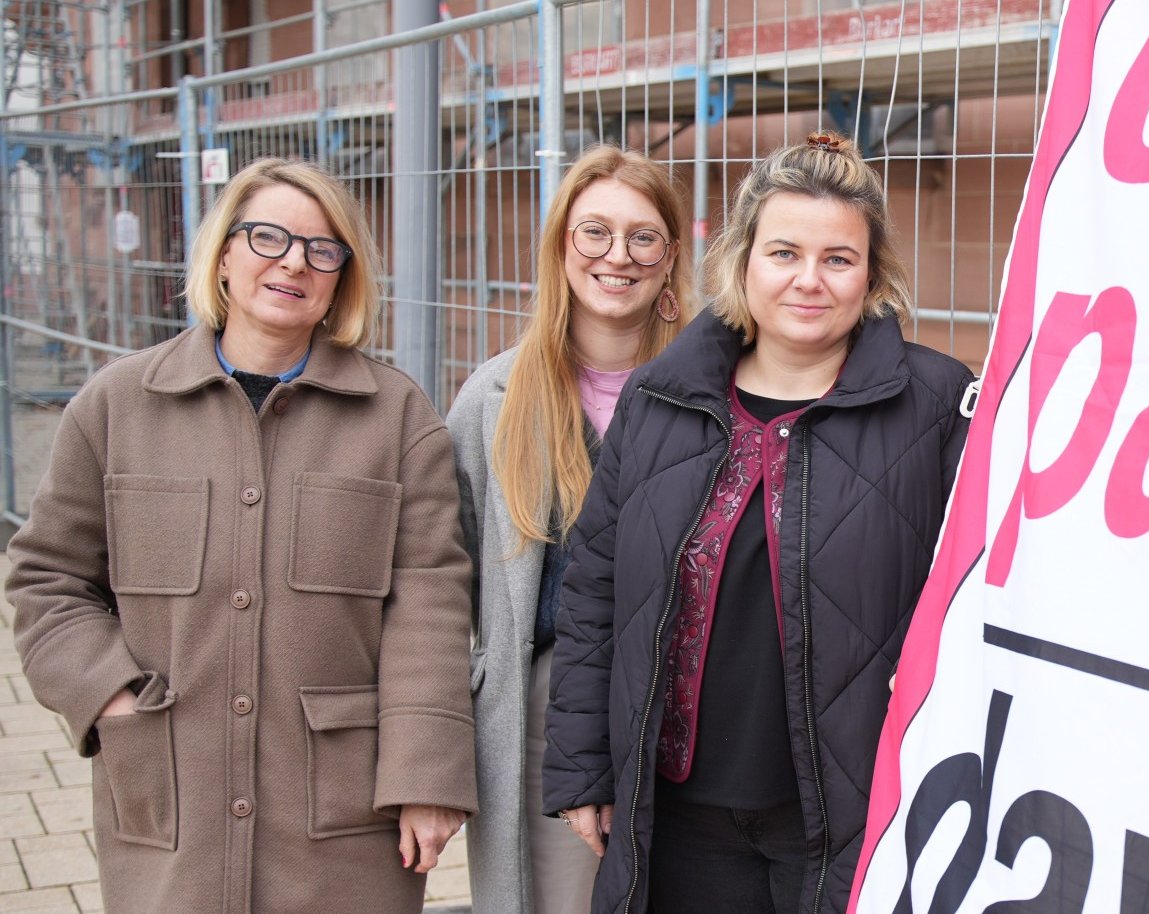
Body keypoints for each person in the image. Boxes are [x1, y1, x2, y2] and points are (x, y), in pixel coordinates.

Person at [6, 158, 477, 914]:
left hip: (342, 820)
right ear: (223, 255)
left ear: (340, 279)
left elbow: (430, 606)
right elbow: (47, 580)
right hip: (170, 804)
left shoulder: (396, 419)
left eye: (322, 249)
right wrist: (111, 697)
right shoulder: (116, 407)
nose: (294, 260)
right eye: (268, 238)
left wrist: (427, 776)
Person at [540, 130, 973, 914]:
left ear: (870, 275)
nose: (809, 280)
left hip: (847, 812)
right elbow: (594, 593)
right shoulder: (660, 399)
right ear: (742, 261)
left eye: (837, 259)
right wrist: (584, 773)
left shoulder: (937, 406)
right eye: (783, 253)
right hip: (679, 814)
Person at [449, 145, 692, 914]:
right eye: (594, 232)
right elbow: (441, 575)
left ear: (670, 258)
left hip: (691, 708)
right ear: (560, 247)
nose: (617, 256)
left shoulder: (717, 394)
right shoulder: (491, 400)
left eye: (642, 236)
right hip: (547, 719)